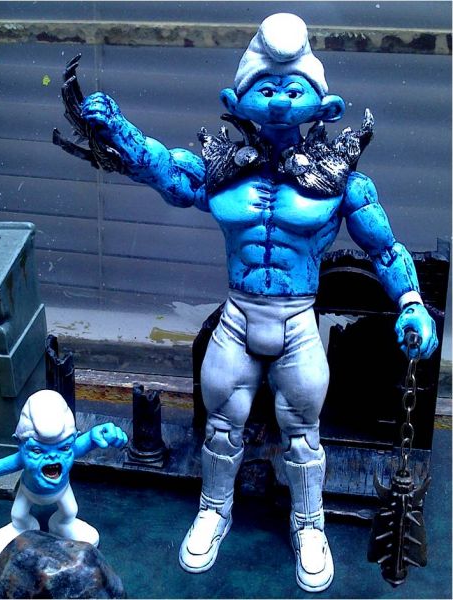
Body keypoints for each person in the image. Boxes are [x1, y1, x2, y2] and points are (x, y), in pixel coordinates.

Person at [64, 13, 437, 592]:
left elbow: (385, 250)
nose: (281, 100)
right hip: (238, 317)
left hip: (298, 322)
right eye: (266, 87)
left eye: (294, 89)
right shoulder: (221, 171)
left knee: (302, 432)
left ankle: (309, 523)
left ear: (326, 106)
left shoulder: (342, 181)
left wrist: (411, 302)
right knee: (222, 426)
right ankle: (214, 510)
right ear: (234, 101)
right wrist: (120, 131)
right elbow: (164, 171)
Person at [0, 389, 128, 558]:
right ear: (20, 444)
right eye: (37, 451)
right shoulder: (21, 457)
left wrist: (97, 435)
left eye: (64, 448)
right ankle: (24, 527)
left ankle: (61, 524)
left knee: (70, 512)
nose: (52, 457)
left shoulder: (72, 448)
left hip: (62, 491)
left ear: (73, 440)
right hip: (28, 492)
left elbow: (87, 440)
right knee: (18, 516)